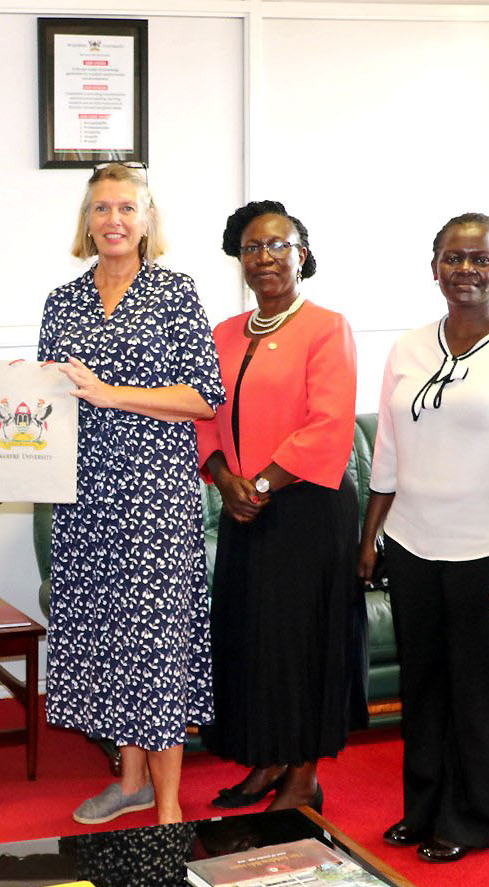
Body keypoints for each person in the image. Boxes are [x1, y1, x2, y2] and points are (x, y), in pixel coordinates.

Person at [359, 213, 489, 863]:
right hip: (415, 543)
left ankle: (468, 817)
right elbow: (388, 452)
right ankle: (422, 806)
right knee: (423, 684)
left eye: (481, 260)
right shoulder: (410, 347)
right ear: (434, 268)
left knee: (477, 688)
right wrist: (371, 538)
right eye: (454, 258)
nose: (466, 271)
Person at [40, 164, 223, 826]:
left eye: (125, 207)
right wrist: (2, 458)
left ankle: (168, 803)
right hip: (85, 498)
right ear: (86, 222)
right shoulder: (61, 301)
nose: (112, 219)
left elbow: (205, 397)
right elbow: (43, 403)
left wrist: (112, 393)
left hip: (154, 497)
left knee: (157, 641)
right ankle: (130, 780)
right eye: (100, 208)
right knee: (112, 636)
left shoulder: (176, 293)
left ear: (147, 220)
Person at [195, 200, 368, 812]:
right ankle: (267, 759)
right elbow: (205, 421)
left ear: (302, 254)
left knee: (302, 641)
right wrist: (224, 481)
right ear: (237, 259)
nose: (264, 257)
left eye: (278, 245)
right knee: (254, 639)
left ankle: (303, 775)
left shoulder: (327, 327)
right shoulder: (222, 333)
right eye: (251, 247)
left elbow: (328, 428)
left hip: (307, 511)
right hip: (244, 508)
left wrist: (259, 486)